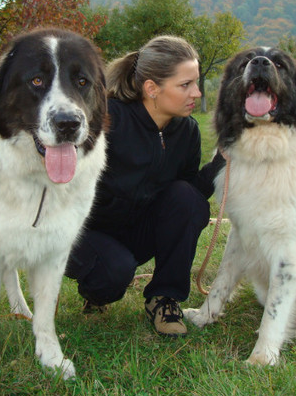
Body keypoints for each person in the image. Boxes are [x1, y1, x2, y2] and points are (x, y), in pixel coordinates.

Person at [65, 35, 223, 337]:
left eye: (196, 83)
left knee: (189, 200)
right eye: (185, 85)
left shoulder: (187, 131)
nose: (197, 92)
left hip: (137, 231)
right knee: (113, 275)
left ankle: (164, 298)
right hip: (85, 232)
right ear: (151, 88)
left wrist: (221, 161)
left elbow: (189, 198)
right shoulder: (107, 119)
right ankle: (96, 291)